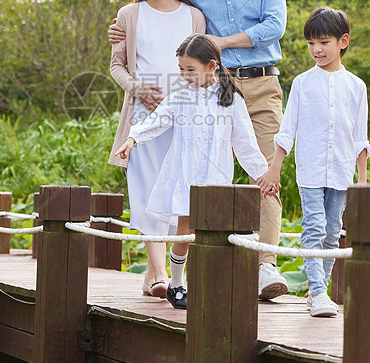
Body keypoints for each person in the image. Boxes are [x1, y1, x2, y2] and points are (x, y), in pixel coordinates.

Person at [109, 0, 289, 300]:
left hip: (256, 84)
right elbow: (161, 7)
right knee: (188, 185)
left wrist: (218, 44)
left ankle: (265, 266)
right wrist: (121, 27)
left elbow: (275, 26)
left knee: (264, 171)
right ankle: (173, 275)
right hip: (201, 91)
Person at [114, 34, 271, 309]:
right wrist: (132, 139)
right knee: (184, 234)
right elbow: (155, 122)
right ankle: (176, 283)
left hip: (215, 180)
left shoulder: (230, 101)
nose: (185, 75)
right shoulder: (181, 98)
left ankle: (210, 285)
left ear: (211, 66)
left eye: (190, 69)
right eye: (181, 70)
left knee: (213, 236)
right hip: (185, 178)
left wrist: (262, 174)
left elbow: (245, 143)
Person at [258, 6, 370, 317]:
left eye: (323, 42)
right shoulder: (302, 83)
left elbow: (361, 138)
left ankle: (315, 288)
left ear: (343, 41)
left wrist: (362, 182)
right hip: (310, 170)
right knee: (314, 228)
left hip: (343, 172)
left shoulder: (357, 87)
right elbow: (287, 130)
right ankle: (320, 292)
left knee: (333, 232)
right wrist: (274, 169)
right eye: (311, 43)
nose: (316, 50)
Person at [108, 0, 206, 299]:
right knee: (147, 189)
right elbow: (116, 65)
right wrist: (137, 90)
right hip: (143, 115)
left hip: (183, 116)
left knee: (177, 188)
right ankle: (161, 272)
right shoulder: (129, 14)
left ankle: (153, 275)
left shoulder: (194, 17)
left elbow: (202, 63)